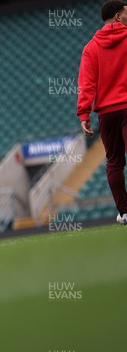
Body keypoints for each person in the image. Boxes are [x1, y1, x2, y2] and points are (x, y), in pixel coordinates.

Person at [78, 0, 127, 224]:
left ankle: (125, 212)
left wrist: (84, 114)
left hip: (107, 114)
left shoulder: (91, 48)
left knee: (114, 162)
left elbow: (87, 84)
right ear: (118, 16)